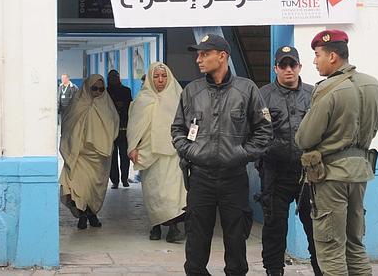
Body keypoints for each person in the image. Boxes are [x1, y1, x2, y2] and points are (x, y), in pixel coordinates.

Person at [171, 34, 272, 276]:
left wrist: (241, 154)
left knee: (236, 239)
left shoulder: (246, 90)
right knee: (196, 240)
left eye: (205, 54)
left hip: (234, 177)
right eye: (198, 54)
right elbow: (178, 129)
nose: (199, 59)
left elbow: (264, 131)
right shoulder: (192, 91)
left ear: (222, 56)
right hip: (200, 177)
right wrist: (191, 151)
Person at [295, 30, 378, 276]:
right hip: (360, 170)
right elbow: (373, 127)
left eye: (317, 55)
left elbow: (304, 138)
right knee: (355, 245)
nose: (315, 61)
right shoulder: (372, 84)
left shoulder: (329, 89)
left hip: (331, 176)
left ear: (332, 56)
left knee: (331, 248)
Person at [258, 46, 321, 276]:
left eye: (292, 65)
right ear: (275, 68)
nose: (288, 70)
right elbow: (252, 131)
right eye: (282, 65)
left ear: (299, 67)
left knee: (316, 227)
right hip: (274, 173)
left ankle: (320, 270)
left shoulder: (313, 94)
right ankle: (274, 271)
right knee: (275, 228)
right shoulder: (262, 95)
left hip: (308, 175)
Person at [128, 62, 186, 243]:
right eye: (156, 76)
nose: (160, 80)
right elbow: (134, 126)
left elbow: (188, 123)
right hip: (149, 154)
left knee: (171, 194)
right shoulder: (142, 100)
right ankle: (155, 226)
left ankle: (173, 228)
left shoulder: (179, 98)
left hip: (173, 153)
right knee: (154, 193)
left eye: (163, 76)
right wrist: (132, 147)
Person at [59, 74, 119, 229]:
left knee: (94, 189)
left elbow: (114, 125)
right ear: (87, 87)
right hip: (79, 156)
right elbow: (67, 127)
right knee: (78, 187)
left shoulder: (107, 106)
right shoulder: (77, 104)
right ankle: (82, 214)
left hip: (99, 158)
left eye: (101, 89)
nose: (98, 92)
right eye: (94, 88)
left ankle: (92, 213)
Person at [107, 70, 133, 189]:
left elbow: (130, 108)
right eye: (110, 78)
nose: (112, 80)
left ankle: (124, 179)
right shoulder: (106, 92)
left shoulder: (126, 91)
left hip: (123, 128)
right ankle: (115, 181)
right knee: (112, 158)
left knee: (124, 156)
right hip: (110, 130)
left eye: (114, 77)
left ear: (119, 78)